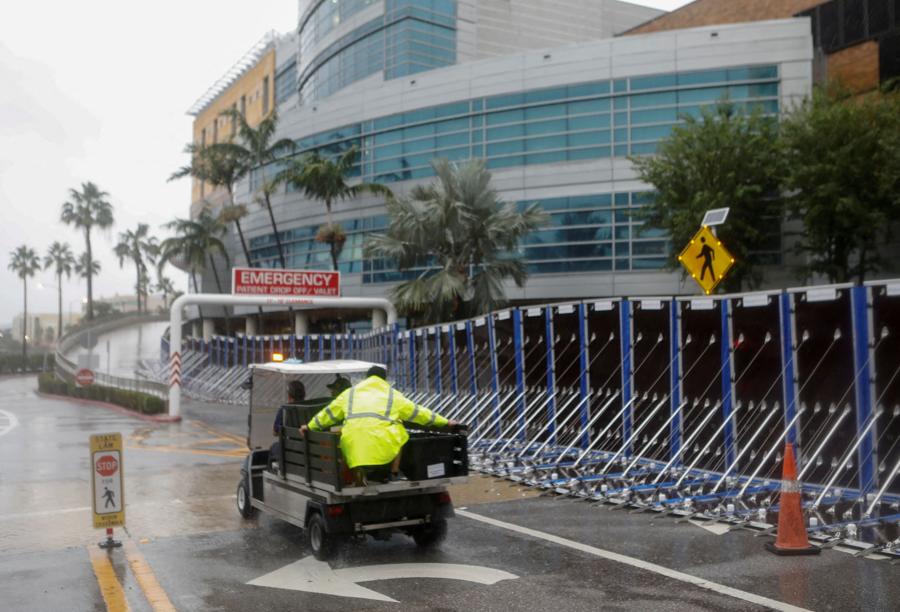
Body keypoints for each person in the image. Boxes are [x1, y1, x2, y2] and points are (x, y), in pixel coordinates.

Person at [301, 366, 458, 484]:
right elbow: (419, 413)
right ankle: (394, 472)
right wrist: (445, 422)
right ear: (384, 379)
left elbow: (328, 414)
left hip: (353, 447)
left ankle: (358, 473)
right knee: (400, 429)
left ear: (367, 378)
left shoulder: (350, 393)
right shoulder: (393, 395)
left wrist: (309, 426)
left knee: (349, 433)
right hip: (384, 447)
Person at [270, 380, 306, 472]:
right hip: (310, 449)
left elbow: (275, 432)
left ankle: (272, 472)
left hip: (291, 450)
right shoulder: (311, 408)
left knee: (274, 447)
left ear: (289, 396)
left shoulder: (284, 410)